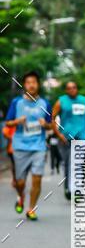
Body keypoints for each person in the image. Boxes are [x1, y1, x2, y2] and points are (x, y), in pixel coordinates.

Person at [4, 72, 52, 220]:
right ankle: (20, 195)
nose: (31, 85)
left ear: (38, 85)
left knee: (37, 179)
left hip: (38, 146)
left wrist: (46, 125)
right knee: (20, 182)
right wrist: (17, 121)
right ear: (24, 85)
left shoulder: (45, 104)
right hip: (20, 146)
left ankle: (31, 209)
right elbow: (8, 122)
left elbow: (51, 126)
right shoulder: (16, 103)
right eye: (28, 82)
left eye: (34, 82)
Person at [52, 80, 85, 199]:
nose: (72, 90)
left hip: (81, 137)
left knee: (79, 164)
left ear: (77, 88)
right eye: (69, 88)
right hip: (65, 138)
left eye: (74, 87)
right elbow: (52, 117)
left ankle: (77, 190)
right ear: (66, 90)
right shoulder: (61, 101)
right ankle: (68, 188)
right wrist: (58, 134)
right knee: (68, 163)